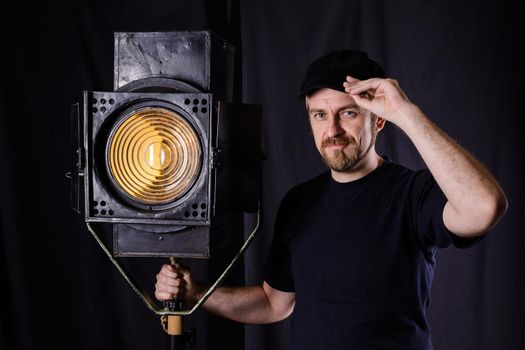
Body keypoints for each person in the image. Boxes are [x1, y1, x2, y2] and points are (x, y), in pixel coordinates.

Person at [154, 50, 507, 349]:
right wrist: (197, 292)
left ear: (379, 121)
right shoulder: (299, 201)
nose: (332, 130)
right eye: (320, 115)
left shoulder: (412, 194)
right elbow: (274, 303)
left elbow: (484, 206)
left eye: (348, 112)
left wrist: (406, 113)